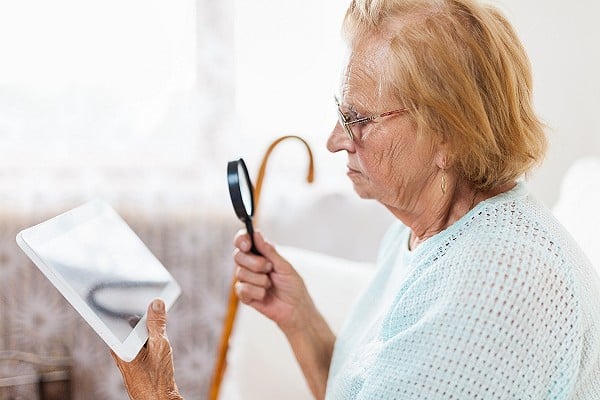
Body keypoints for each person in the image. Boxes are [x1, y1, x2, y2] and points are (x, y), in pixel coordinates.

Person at [112, 0, 600, 398]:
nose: (334, 140)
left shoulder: (496, 282)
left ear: (450, 135)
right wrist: (298, 317)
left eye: (359, 120)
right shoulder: (417, 235)